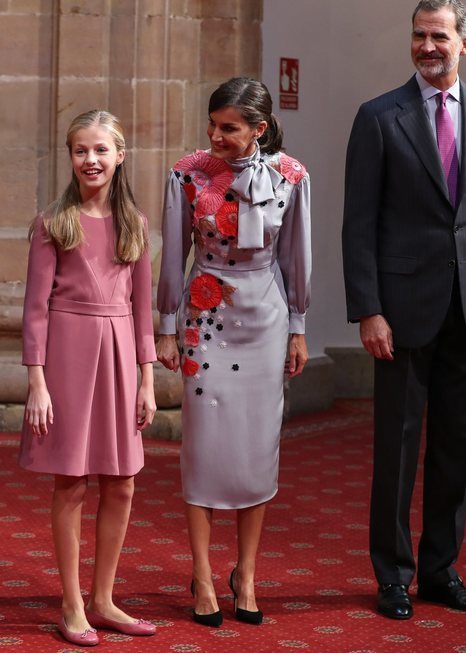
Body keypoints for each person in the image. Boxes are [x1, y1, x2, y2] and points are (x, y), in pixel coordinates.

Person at [342, 0, 466, 620]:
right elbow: (358, 224)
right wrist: (368, 308)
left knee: (455, 447)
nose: (427, 45)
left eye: (438, 35)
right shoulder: (378, 117)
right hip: (401, 310)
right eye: (418, 35)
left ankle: (441, 572)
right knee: (396, 448)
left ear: (464, 44)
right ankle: (392, 576)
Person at [156, 77, 311, 627]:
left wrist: (297, 326)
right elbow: (173, 254)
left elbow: (295, 257)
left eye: (229, 128)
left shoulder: (292, 176)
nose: (215, 136)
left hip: (265, 320)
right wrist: (167, 326)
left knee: (256, 449)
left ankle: (245, 572)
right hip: (205, 319)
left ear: (258, 130)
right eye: (212, 125)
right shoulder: (186, 172)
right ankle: (201, 573)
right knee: (202, 447)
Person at [20, 109, 158, 647]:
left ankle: (104, 598)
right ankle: (72, 602)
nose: (91, 160)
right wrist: (37, 381)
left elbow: (142, 309)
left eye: (101, 150)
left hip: (122, 354)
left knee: (122, 480)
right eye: (81, 150)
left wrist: (147, 379)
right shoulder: (53, 222)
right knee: (72, 479)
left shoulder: (136, 225)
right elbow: (34, 309)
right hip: (68, 356)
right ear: (70, 157)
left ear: (120, 155)